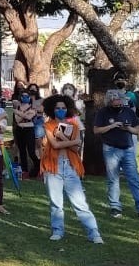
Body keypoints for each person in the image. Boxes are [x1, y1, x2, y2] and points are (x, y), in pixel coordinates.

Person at [40, 95, 103, 243]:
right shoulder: (48, 125)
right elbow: (54, 145)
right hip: (53, 167)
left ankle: (94, 233)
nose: (61, 110)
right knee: (56, 202)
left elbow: (76, 148)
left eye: (63, 108)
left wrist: (63, 137)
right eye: (57, 108)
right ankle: (57, 230)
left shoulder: (73, 126)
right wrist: (72, 141)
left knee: (80, 202)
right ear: (52, 109)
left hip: (70, 166)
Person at [94, 89, 139, 219]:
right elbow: (96, 130)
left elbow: (137, 130)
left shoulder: (128, 111)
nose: (117, 103)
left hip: (127, 149)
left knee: (134, 178)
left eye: (118, 100)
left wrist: (127, 128)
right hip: (111, 149)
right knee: (113, 179)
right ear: (109, 101)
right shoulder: (103, 112)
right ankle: (115, 207)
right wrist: (112, 126)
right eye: (114, 101)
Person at [12, 87, 40, 179]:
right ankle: (25, 171)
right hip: (20, 130)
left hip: (29, 130)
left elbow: (29, 117)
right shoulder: (18, 107)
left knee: (31, 151)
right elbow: (18, 120)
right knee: (22, 151)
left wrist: (19, 113)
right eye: (23, 96)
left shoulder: (32, 107)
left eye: (27, 96)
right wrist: (24, 114)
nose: (25, 97)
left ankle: (38, 167)